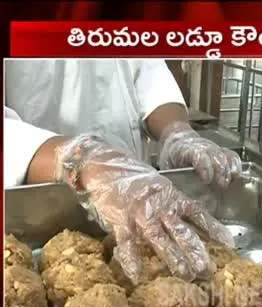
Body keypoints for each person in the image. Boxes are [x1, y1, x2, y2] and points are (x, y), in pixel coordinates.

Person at [4, 59, 242, 284]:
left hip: (136, 196)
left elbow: (147, 71)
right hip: (30, 211)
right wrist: (78, 157)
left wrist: (176, 132)